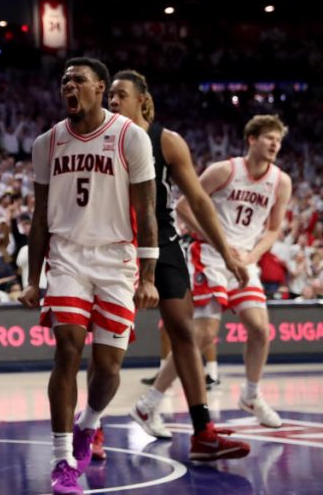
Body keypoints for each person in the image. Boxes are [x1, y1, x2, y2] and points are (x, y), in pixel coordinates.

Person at [19, 57, 158, 494]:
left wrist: (149, 274)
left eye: (78, 79)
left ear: (100, 88)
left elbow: (147, 211)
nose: (69, 86)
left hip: (116, 258)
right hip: (67, 256)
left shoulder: (129, 137)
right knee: (67, 347)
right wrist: (32, 277)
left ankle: (90, 423)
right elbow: (40, 217)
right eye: (64, 80)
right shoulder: (47, 142)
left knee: (108, 365)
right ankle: (62, 458)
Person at [109, 70, 251, 459]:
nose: (113, 102)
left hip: (162, 245)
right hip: (115, 245)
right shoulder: (103, 141)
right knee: (110, 340)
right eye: (110, 97)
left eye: (121, 95)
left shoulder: (167, 142)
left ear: (143, 100)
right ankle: (93, 425)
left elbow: (201, 203)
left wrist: (226, 252)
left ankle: (203, 432)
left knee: (185, 331)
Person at [156, 115, 291, 430]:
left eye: (279, 140)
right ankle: (151, 402)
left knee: (259, 328)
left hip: (243, 260)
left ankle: (251, 395)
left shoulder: (281, 181)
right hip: (210, 255)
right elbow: (184, 207)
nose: (275, 144)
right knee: (203, 334)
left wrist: (251, 256)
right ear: (252, 139)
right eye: (269, 138)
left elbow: (273, 230)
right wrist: (216, 241)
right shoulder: (225, 170)